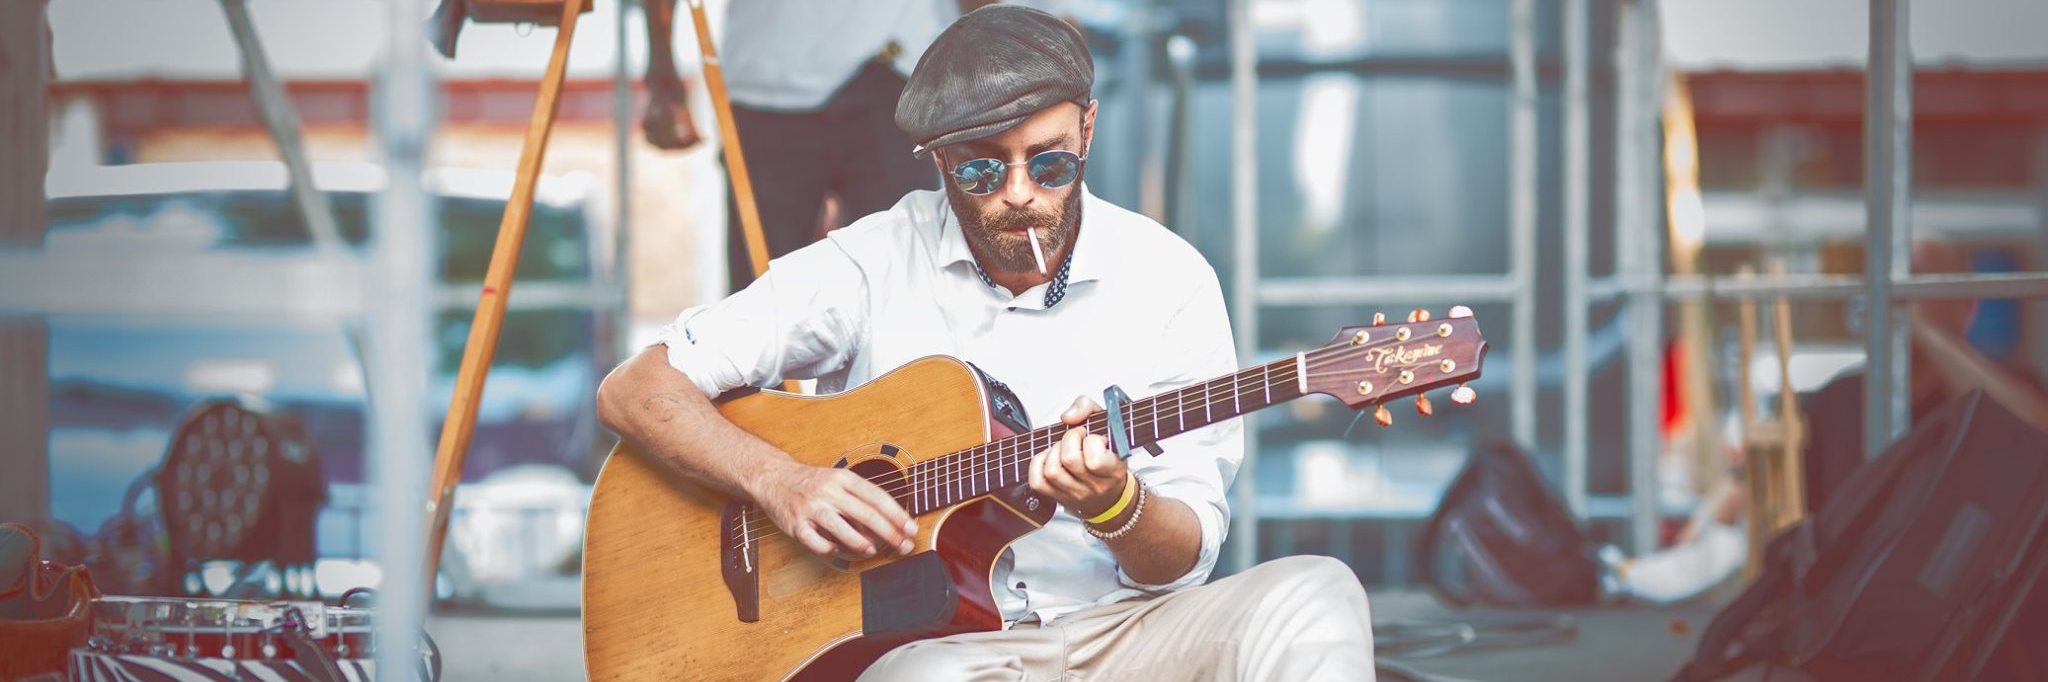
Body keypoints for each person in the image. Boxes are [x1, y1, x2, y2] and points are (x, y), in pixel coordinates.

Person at [596, 7, 1375, 680]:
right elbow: (635, 389)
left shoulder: (1172, 279)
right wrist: (782, 483)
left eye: (1051, 161)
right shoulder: (869, 260)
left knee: (1317, 591)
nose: (1018, 194)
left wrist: (1116, 505)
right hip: (939, 648)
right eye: (978, 170)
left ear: (1089, 127)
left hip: (1125, 632)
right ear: (937, 160)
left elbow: (1180, 557)